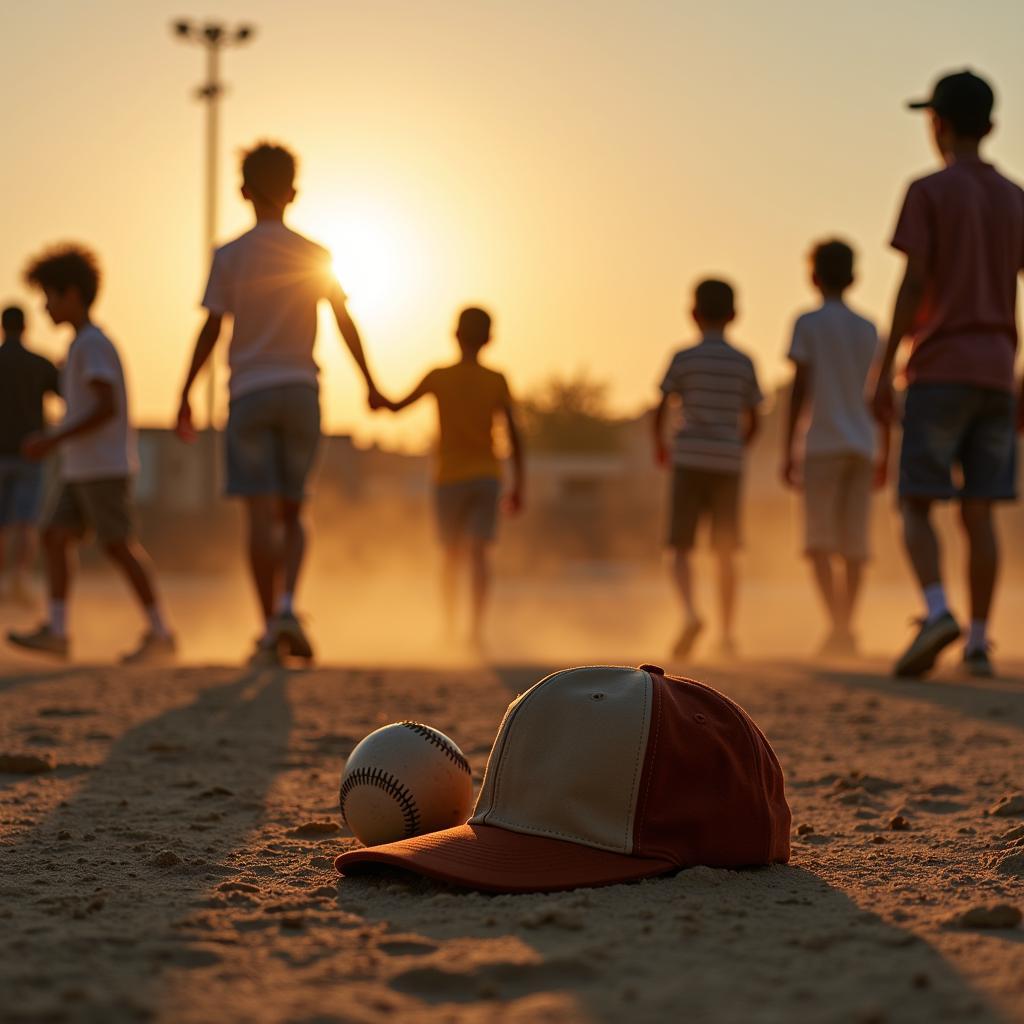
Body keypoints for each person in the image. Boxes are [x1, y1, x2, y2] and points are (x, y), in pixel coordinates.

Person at [176, 142, 384, 665]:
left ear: (243, 191)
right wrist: (370, 382)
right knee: (294, 511)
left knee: (257, 516)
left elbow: (211, 327)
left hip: (248, 392)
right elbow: (343, 320)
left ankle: (269, 628)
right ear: (293, 192)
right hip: (300, 389)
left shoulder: (229, 254)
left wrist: (183, 393)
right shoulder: (315, 252)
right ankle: (290, 605)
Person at [872, 70, 1024, 679]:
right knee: (981, 511)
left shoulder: (928, 190)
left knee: (916, 502)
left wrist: (885, 368)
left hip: (939, 367)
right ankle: (982, 641)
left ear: (938, 124)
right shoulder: (1015, 198)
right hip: (997, 371)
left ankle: (937, 609)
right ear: (989, 125)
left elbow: (913, 284)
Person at [7, 245, 175, 663]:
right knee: (53, 535)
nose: (45, 306)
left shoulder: (92, 345)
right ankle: (59, 632)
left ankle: (161, 633)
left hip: (103, 467)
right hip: (81, 468)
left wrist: (53, 439)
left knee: (118, 545)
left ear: (73, 295)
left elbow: (106, 406)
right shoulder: (82, 345)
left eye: (50, 295)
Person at [378, 307, 524, 649]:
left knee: (450, 555)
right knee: (479, 554)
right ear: (489, 339)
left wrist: (374, 395)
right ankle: (475, 631)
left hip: (449, 479)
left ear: (455, 335)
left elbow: (397, 406)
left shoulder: (438, 376)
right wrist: (520, 485)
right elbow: (516, 435)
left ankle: (448, 628)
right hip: (488, 477)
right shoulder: (496, 379)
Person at [781, 240, 888, 657]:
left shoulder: (807, 323)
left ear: (814, 276)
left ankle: (836, 624)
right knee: (855, 542)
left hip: (822, 443)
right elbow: (884, 397)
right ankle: (847, 624)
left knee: (819, 540)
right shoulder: (869, 328)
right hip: (863, 443)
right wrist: (887, 451)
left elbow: (799, 389)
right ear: (854, 276)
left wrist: (788, 446)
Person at [653, 279, 762, 659]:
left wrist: (661, 446)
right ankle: (728, 633)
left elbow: (663, 404)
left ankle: (689, 612)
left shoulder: (683, 358)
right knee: (726, 549)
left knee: (679, 545)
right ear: (734, 315)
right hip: (728, 461)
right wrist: (738, 446)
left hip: (689, 457)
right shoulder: (744, 361)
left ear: (693, 314)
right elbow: (754, 415)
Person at [0, 305, 60, 606]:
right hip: (30, 453)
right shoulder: (39, 364)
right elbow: (65, 390)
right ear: (24, 327)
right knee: (26, 522)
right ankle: (19, 579)